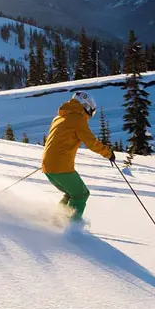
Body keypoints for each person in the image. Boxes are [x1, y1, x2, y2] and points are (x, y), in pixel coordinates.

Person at [42, 91, 113, 222]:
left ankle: (57, 222)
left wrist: (50, 161)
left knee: (71, 194)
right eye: (91, 110)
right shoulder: (77, 119)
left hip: (48, 166)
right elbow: (91, 142)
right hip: (60, 166)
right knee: (81, 194)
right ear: (86, 106)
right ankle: (71, 228)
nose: (90, 114)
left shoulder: (59, 118)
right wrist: (108, 153)